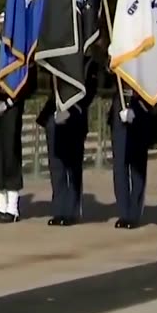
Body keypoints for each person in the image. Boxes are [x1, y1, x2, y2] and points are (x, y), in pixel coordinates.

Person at [39, 59, 99, 227]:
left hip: (75, 115)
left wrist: (73, 107)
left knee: (73, 165)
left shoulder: (87, 61)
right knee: (56, 165)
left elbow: (90, 90)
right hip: (55, 113)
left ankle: (72, 209)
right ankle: (59, 209)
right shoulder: (54, 57)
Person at [0, 33, 33, 223]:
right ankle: (1, 205)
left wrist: (10, 101)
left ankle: (12, 207)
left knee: (10, 150)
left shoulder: (19, 48)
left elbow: (29, 80)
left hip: (11, 104)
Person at [109, 72, 156, 230]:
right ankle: (124, 213)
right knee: (119, 165)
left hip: (141, 107)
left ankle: (134, 213)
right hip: (120, 107)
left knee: (137, 164)